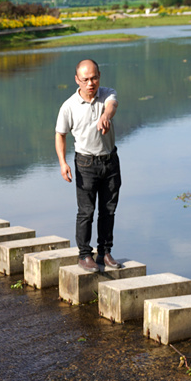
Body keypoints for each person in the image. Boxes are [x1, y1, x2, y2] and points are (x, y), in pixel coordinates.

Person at [55, 59, 122, 272]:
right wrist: (63, 162)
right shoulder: (69, 106)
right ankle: (85, 255)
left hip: (110, 161)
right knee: (86, 211)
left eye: (94, 78)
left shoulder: (107, 94)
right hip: (85, 163)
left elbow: (112, 104)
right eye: (85, 79)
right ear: (77, 80)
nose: (90, 83)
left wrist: (105, 116)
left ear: (99, 76)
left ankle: (104, 252)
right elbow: (60, 135)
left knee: (108, 210)